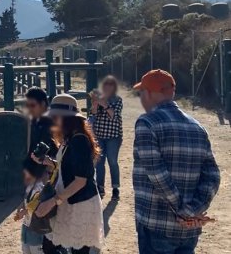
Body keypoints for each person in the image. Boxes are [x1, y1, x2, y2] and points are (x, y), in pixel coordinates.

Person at [132, 70, 220, 254]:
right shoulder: (198, 127)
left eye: (142, 93)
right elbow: (212, 176)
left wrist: (182, 210)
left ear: (149, 93)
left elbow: (157, 174)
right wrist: (194, 209)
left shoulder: (147, 123)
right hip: (189, 228)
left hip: (156, 224)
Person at [34, 94, 104, 254]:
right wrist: (48, 162)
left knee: (74, 248)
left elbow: (81, 180)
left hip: (79, 204)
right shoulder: (70, 137)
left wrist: (53, 201)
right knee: (51, 245)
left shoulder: (79, 140)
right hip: (67, 199)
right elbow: (69, 167)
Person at [89, 75, 123, 200]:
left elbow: (114, 115)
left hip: (114, 136)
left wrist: (105, 105)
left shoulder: (118, 100)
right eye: (106, 84)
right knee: (99, 162)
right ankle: (100, 187)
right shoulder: (99, 98)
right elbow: (93, 114)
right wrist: (95, 104)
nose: (108, 87)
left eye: (111, 85)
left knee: (112, 161)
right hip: (99, 136)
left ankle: (115, 188)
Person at [14, 158, 47, 254]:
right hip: (27, 226)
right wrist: (21, 205)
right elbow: (27, 200)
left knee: (35, 249)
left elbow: (36, 205)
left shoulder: (40, 188)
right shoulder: (30, 186)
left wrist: (23, 212)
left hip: (36, 228)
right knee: (26, 249)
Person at [25, 87, 58, 159]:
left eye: (32, 105)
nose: (29, 109)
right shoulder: (33, 120)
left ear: (42, 104)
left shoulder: (53, 123)